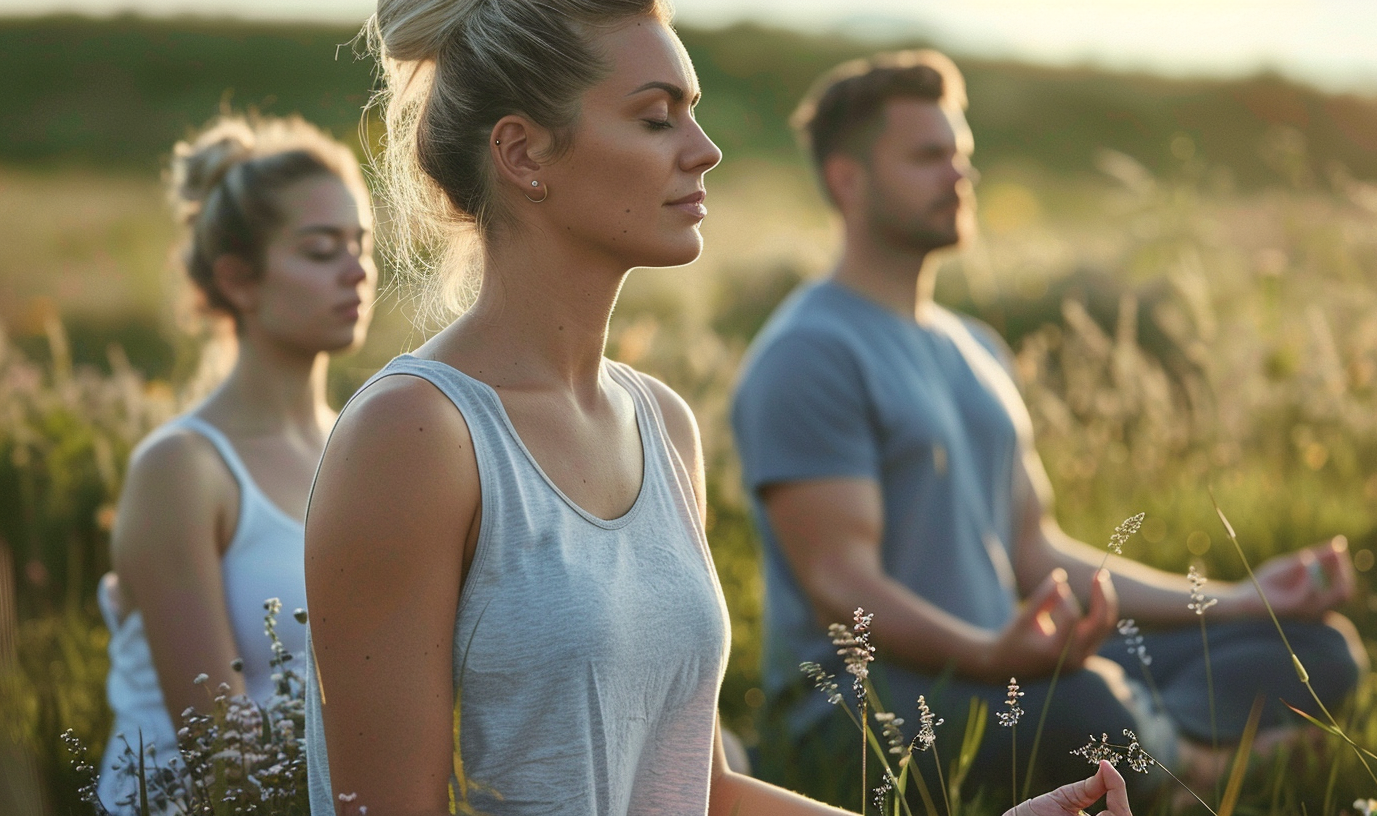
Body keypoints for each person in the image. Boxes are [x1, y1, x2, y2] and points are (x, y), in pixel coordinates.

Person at [302, 4, 1133, 816]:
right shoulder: (415, 435)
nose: (706, 150)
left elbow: (699, 791)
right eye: (657, 119)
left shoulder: (661, 426)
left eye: (691, 114)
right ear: (524, 153)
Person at [730, 49, 1366, 806]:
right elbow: (843, 587)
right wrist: (992, 652)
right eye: (929, 157)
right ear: (848, 180)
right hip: (870, 706)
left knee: (1313, 648)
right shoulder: (811, 352)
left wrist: (1243, 598)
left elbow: (1037, 550)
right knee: (1086, 703)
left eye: (962, 155)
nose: (960, 175)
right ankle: (1201, 764)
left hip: (1011, 669)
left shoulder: (976, 348)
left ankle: (1160, 742)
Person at [98, 114, 376, 812]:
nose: (356, 272)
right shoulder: (182, 469)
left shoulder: (365, 450)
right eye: (320, 251)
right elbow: (219, 752)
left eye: (360, 245)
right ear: (237, 280)